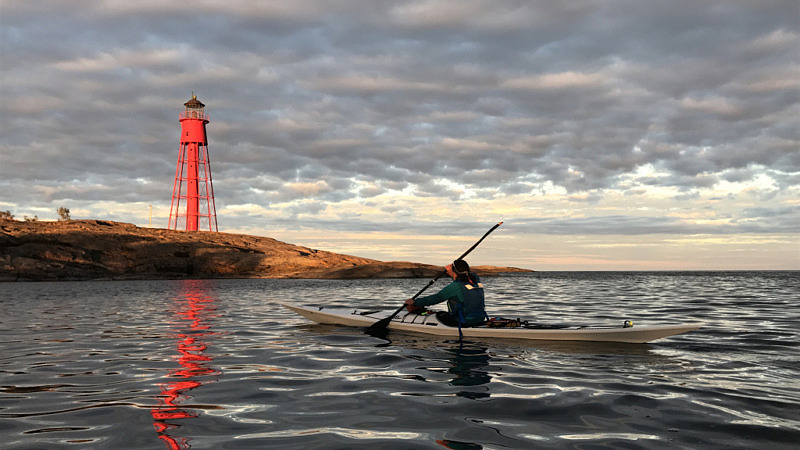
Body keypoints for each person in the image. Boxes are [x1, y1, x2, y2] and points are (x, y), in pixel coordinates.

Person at [404, 259, 488, 328]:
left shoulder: (455, 287)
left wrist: (415, 302)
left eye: (451, 267)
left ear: (454, 271)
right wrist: (453, 270)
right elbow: (467, 275)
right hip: (480, 318)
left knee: (440, 314)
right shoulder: (475, 280)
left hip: (463, 321)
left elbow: (435, 298)